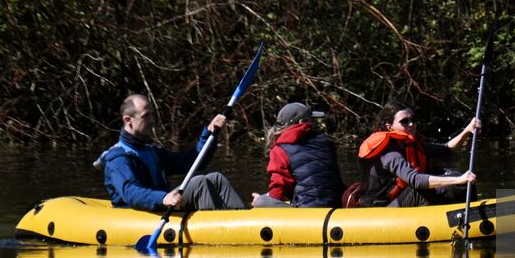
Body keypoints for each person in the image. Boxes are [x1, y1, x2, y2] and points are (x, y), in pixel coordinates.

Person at [100, 94, 246, 212]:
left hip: (161, 205)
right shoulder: (117, 158)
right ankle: (219, 231)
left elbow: (196, 161)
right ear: (128, 120)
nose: (152, 121)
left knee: (216, 178)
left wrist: (209, 134)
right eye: (146, 116)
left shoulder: (152, 152)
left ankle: (244, 221)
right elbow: (131, 193)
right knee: (199, 183)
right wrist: (163, 198)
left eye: (152, 115)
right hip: (139, 213)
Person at [357, 99, 479, 207]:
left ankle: (471, 214)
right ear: (389, 127)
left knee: (455, 177)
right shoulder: (389, 152)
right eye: (404, 121)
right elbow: (415, 180)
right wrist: (458, 180)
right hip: (382, 207)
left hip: (400, 199)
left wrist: (467, 130)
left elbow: (447, 149)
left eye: (413, 119)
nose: (411, 124)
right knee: (422, 190)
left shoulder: (411, 143)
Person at [252, 102, 346, 208]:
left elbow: (278, 191)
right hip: (336, 205)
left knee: (260, 202)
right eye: (312, 119)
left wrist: (262, 199)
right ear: (302, 122)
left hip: (307, 210)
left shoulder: (279, 149)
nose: (314, 123)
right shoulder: (327, 142)